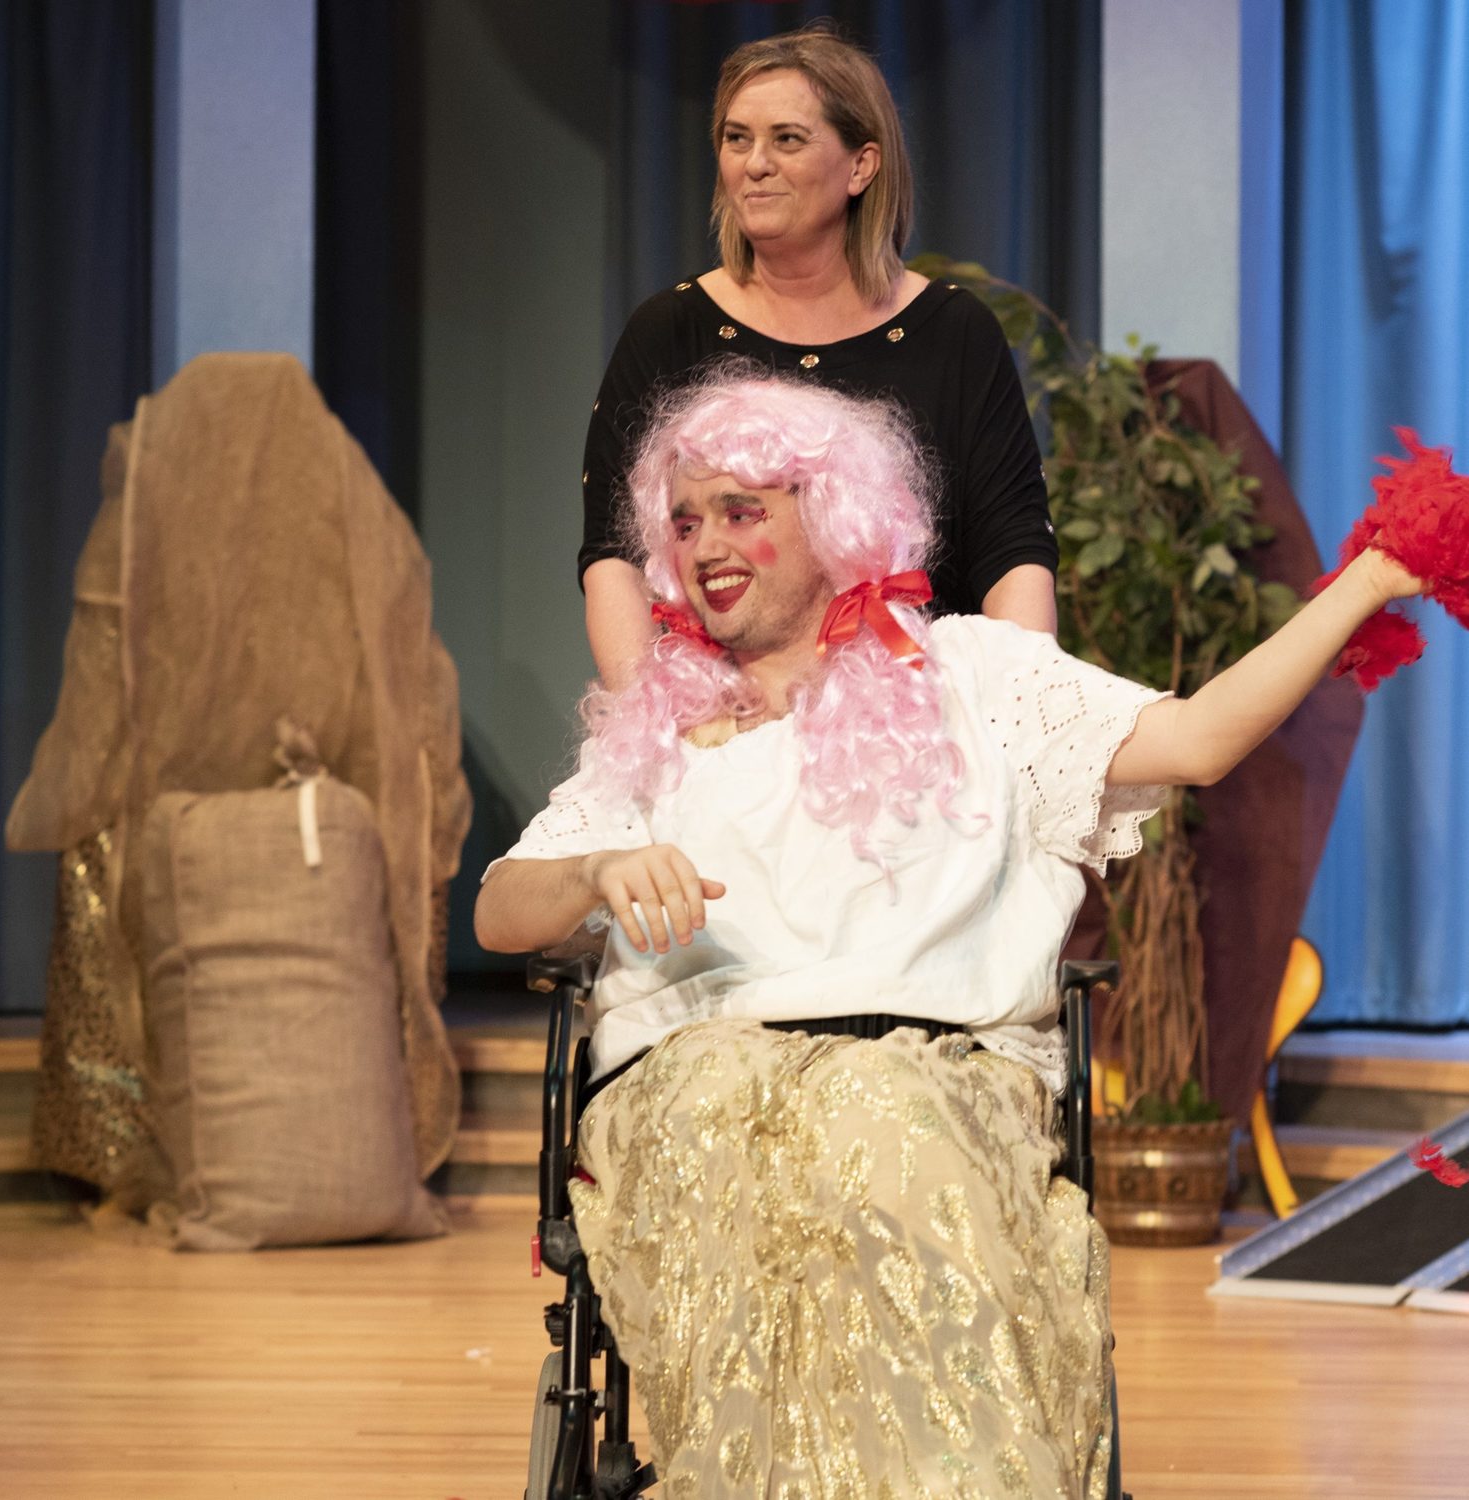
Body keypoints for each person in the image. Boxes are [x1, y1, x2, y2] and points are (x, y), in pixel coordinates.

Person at [479, 372, 1423, 1497]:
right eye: (684, 522)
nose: (707, 545)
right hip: (697, 1083)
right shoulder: (656, 736)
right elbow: (501, 911)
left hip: (933, 1077)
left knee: (876, 1128)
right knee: (747, 1136)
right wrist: (595, 866)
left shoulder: (977, 678)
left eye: (744, 511)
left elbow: (1201, 738)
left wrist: (1367, 577)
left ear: (829, 515)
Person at [581, 23, 1058, 690]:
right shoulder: (669, 330)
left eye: (787, 139)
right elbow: (614, 556)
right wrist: (657, 730)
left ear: (861, 166)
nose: (754, 164)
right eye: (735, 138)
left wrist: (1015, 716)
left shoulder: (954, 333)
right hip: (719, 733)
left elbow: (1013, 554)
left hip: (916, 730)